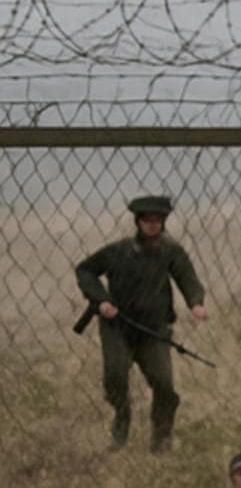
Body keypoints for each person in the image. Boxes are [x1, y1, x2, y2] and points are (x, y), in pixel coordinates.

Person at [74, 194, 208, 452]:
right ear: (138, 221)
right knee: (115, 377)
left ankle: (162, 438)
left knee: (165, 386)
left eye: (157, 220)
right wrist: (101, 300)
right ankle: (121, 419)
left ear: (163, 222)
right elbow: (85, 270)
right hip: (118, 327)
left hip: (153, 331)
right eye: (147, 219)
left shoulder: (171, 251)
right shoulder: (118, 251)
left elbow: (187, 277)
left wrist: (196, 303)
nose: (152, 224)